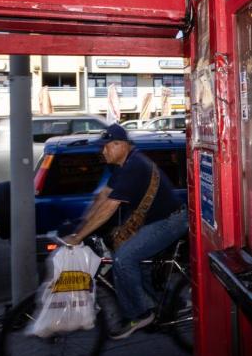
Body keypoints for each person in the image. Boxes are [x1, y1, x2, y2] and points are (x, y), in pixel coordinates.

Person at [63, 124, 187, 339]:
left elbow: (110, 207)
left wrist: (79, 237)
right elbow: (103, 197)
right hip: (154, 221)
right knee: (139, 264)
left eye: (106, 147)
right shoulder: (123, 165)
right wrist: (81, 224)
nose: (103, 152)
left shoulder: (135, 166)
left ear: (120, 145)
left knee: (124, 258)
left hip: (171, 221)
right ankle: (165, 305)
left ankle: (140, 313)